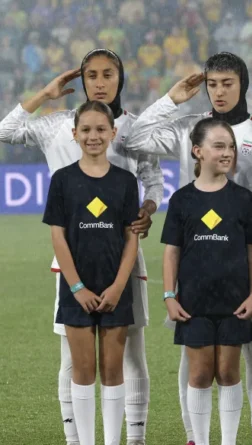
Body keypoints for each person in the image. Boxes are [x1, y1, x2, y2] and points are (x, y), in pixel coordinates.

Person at [125, 52, 252, 445]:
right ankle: (194, 436)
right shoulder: (190, 127)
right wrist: (171, 100)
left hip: (247, 258)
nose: (219, 92)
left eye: (227, 83)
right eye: (212, 84)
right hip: (194, 260)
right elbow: (135, 139)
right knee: (193, 351)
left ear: (243, 85)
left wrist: (243, 226)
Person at [0, 48, 161, 445]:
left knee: (130, 353)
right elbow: (4, 130)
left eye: (109, 74)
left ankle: (134, 437)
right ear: (82, 80)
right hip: (72, 259)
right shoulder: (55, 124)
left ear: (120, 79)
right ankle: (77, 439)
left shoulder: (135, 129)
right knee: (72, 359)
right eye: (92, 75)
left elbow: (153, 180)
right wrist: (45, 93)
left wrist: (148, 208)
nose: (101, 82)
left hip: (122, 254)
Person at [162, 118, 252, 445]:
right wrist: (169, 295)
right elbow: (171, 252)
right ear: (198, 151)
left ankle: (229, 441)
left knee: (228, 372)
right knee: (200, 373)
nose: (227, 153)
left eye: (231, 147)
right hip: (193, 302)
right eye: (219, 146)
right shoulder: (182, 200)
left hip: (234, 301)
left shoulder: (243, 199)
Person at [43, 100, 141, 445]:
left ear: (113, 132)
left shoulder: (126, 182)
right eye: (85, 129)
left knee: (112, 371)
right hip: (77, 290)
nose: (93, 136)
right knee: (83, 372)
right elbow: (58, 236)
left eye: (101, 129)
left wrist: (117, 287)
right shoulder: (63, 180)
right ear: (74, 134)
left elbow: (132, 238)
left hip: (115, 289)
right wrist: (77, 287)